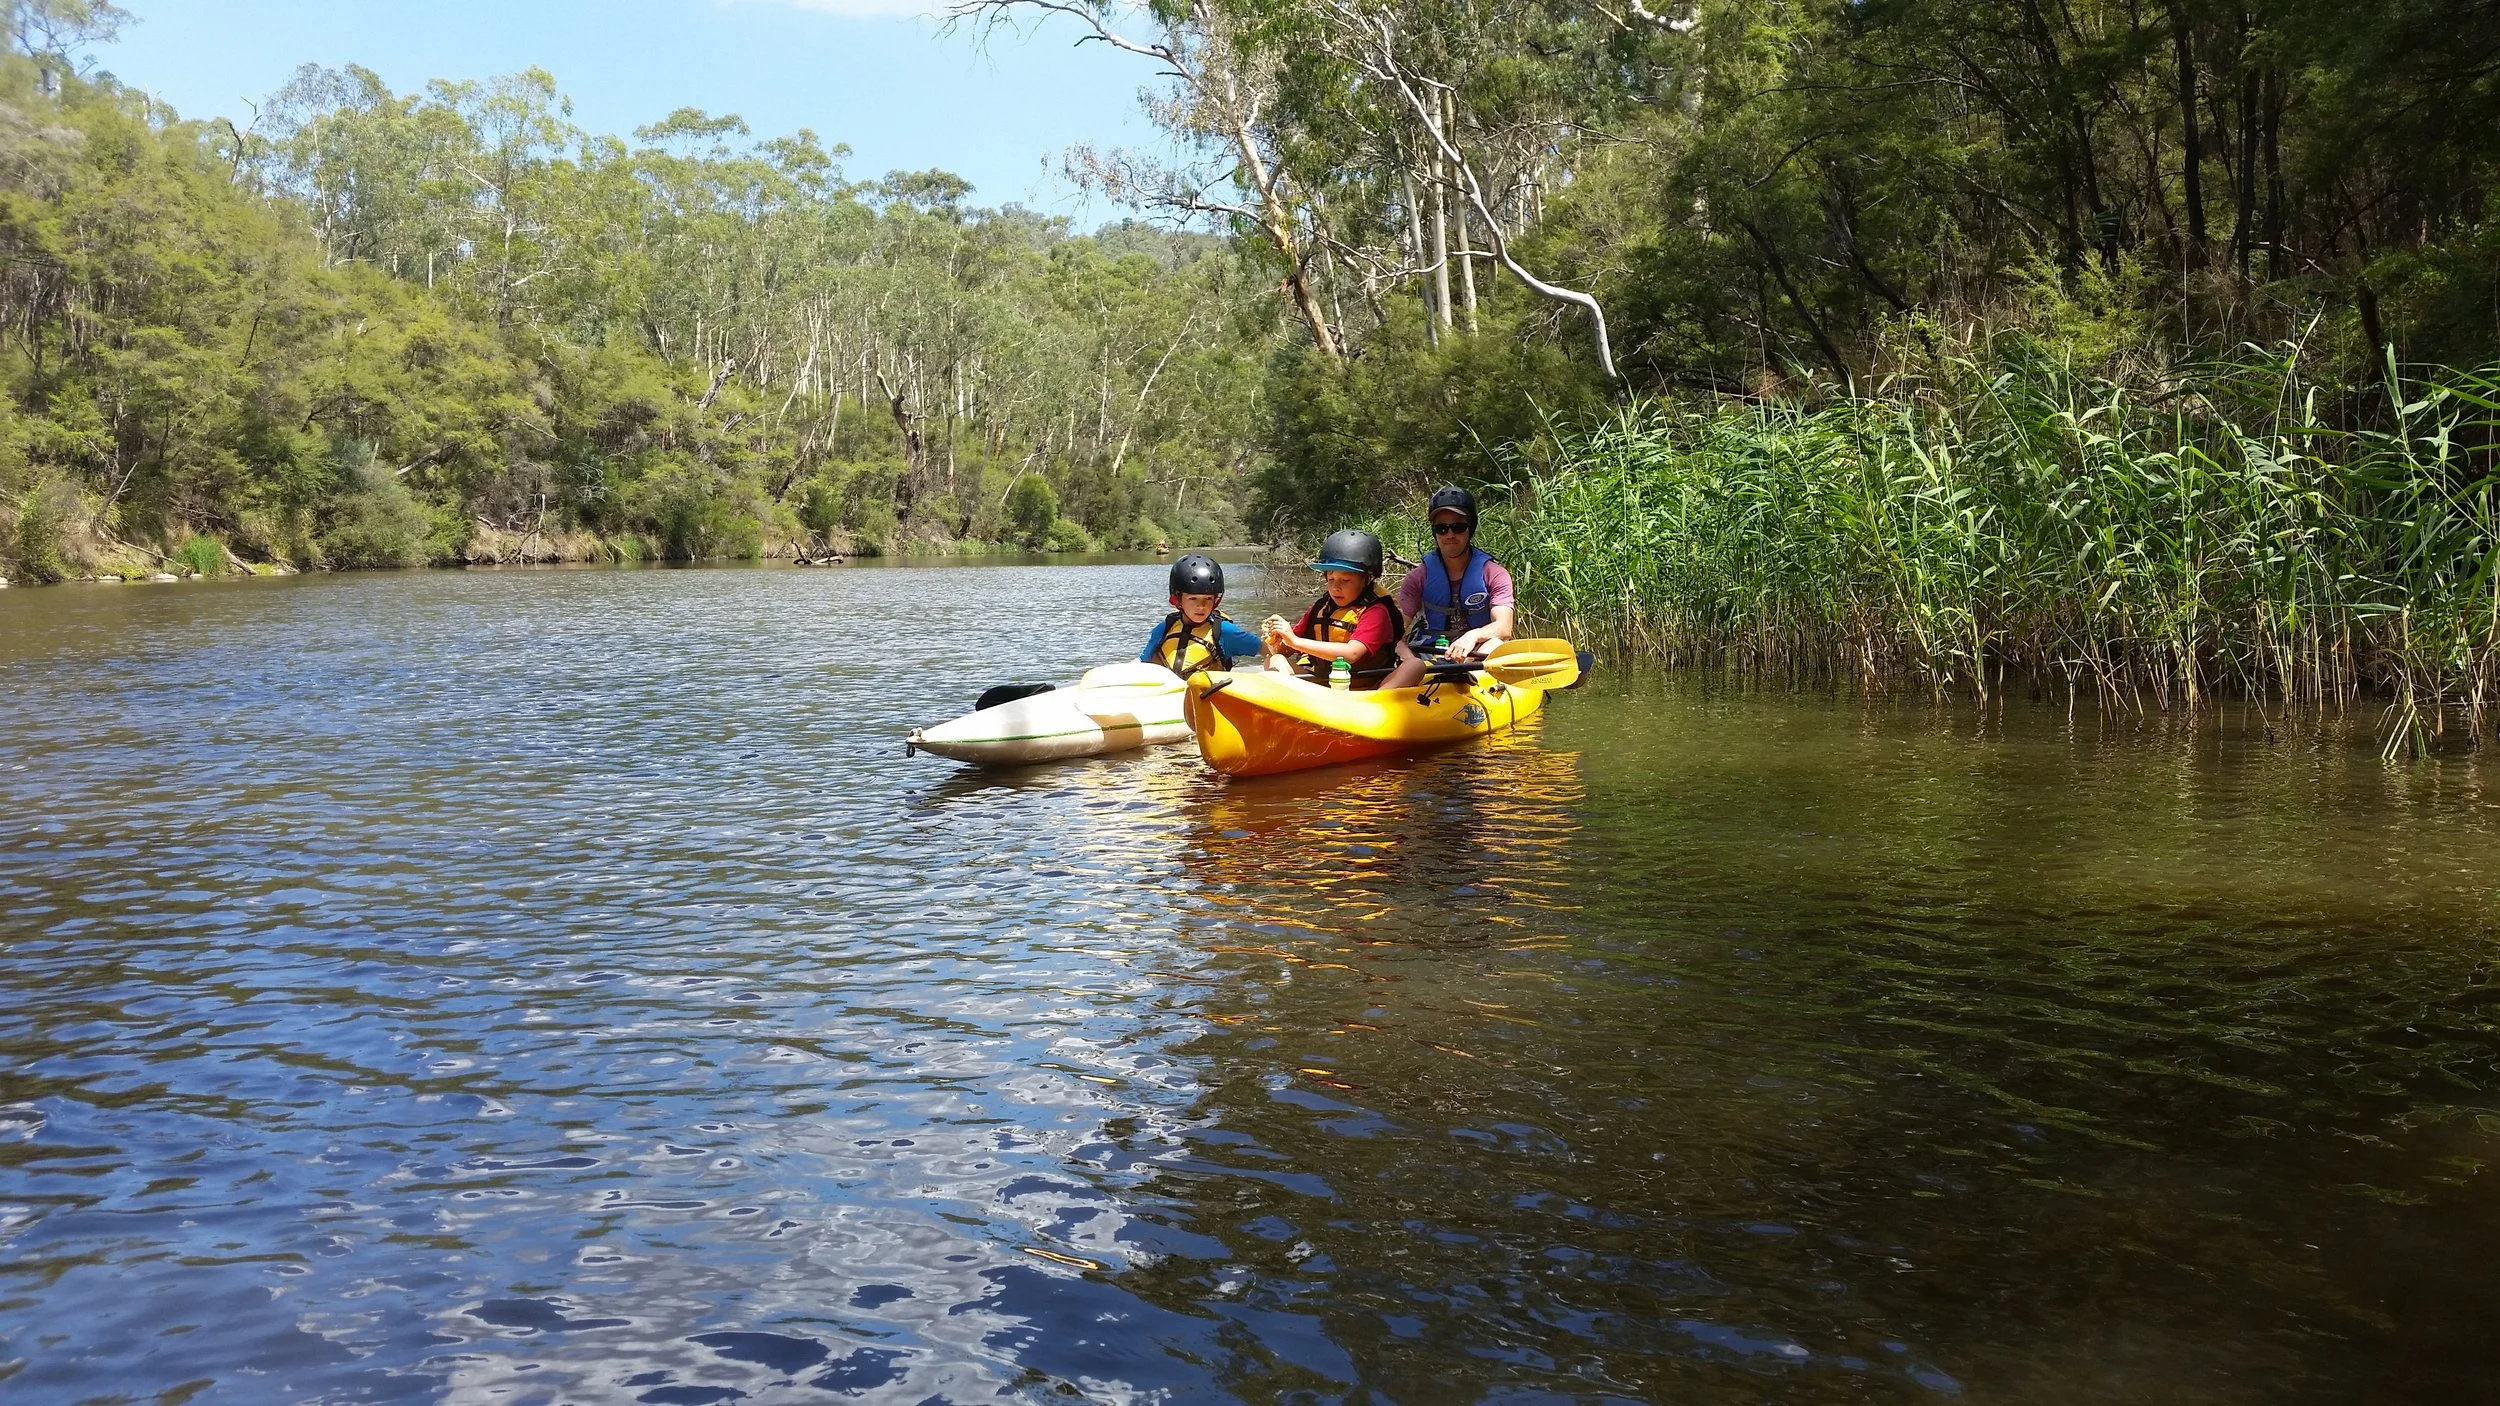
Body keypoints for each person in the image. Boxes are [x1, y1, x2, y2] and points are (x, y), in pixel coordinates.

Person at [1382, 485, 1516, 690]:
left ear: (1470, 528)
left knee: (1497, 644)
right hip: (1429, 652)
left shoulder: (1495, 574)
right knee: (1396, 643)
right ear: (1435, 532)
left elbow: (1504, 628)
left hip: (1476, 653)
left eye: (1458, 527)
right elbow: (1396, 629)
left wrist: (1472, 636)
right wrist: (1407, 657)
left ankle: (1465, 683)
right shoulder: (1418, 577)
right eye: (1442, 529)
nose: (1450, 534)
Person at [1261, 529, 1405, 689]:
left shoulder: (1376, 612)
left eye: (1345, 580)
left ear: (1366, 580)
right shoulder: (1320, 608)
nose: (1336, 587)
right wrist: (1277, 639)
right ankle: (1290, 705)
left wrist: (1295, 641)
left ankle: (1376, 702)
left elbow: (1352, 654)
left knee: (1415, 666)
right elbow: (1286, 651)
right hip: (1326, 687)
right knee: (1275, 660)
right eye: (1331, 579)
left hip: (1367, 689)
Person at [1140, 554, 1263, 680]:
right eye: (1193, 598)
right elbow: (1142, 662)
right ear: (1178, 599)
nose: (1201, 606)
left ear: (1216, 600)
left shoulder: (1224, 631)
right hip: (1169, 695)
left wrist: (1281, 641)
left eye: (1208, 599)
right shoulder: (1165, 628)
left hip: (1205, 696)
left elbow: (1266, 649)